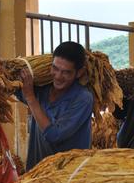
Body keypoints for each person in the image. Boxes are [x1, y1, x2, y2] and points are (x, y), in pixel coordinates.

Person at [18, 41, 93, 170]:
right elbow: (11, 89)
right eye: (55, 68)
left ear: (80, 72)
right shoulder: (43, 89)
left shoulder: (82, 98)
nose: (58, 76)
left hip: (66, 176)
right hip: (36, 172)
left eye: (66, 72)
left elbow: (54, 135)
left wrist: (31, 98)